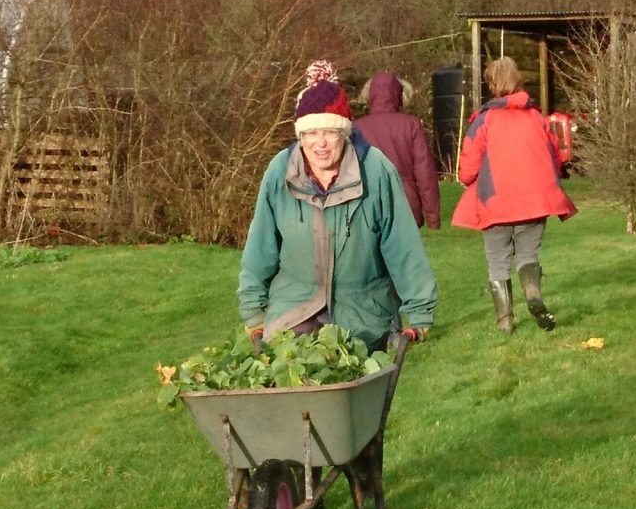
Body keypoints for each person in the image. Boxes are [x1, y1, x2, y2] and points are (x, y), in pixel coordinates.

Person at [238, 78, 438, 352]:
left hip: (362, 313)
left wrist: (420, 309)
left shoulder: (376, 170)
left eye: (330, 132)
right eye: (310, 133)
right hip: (294, 311)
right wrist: (253, 308)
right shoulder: (280, 171)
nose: (320, 143)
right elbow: (261, 245)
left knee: (353, 385)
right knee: (292, 382)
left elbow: (402, 244)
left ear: (344, 133)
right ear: (300, 136)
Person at [450, 56, 577, 334]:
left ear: (492, 84)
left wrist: (467, 179)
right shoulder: (536, 117)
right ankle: (533, 296)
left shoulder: (484, 120)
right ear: (518, 80)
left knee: (497, 260)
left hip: (495, 203)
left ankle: (505, 321)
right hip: (534, 201)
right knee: (528, 255)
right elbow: (555, 159)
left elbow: (468, 169)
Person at [354, 70, 441, 230]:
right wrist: (432, 216)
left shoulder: (357, 127)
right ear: (399, 94)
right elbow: (425, 173)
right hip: (405, 205)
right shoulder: (410, 125)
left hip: (367, 205)